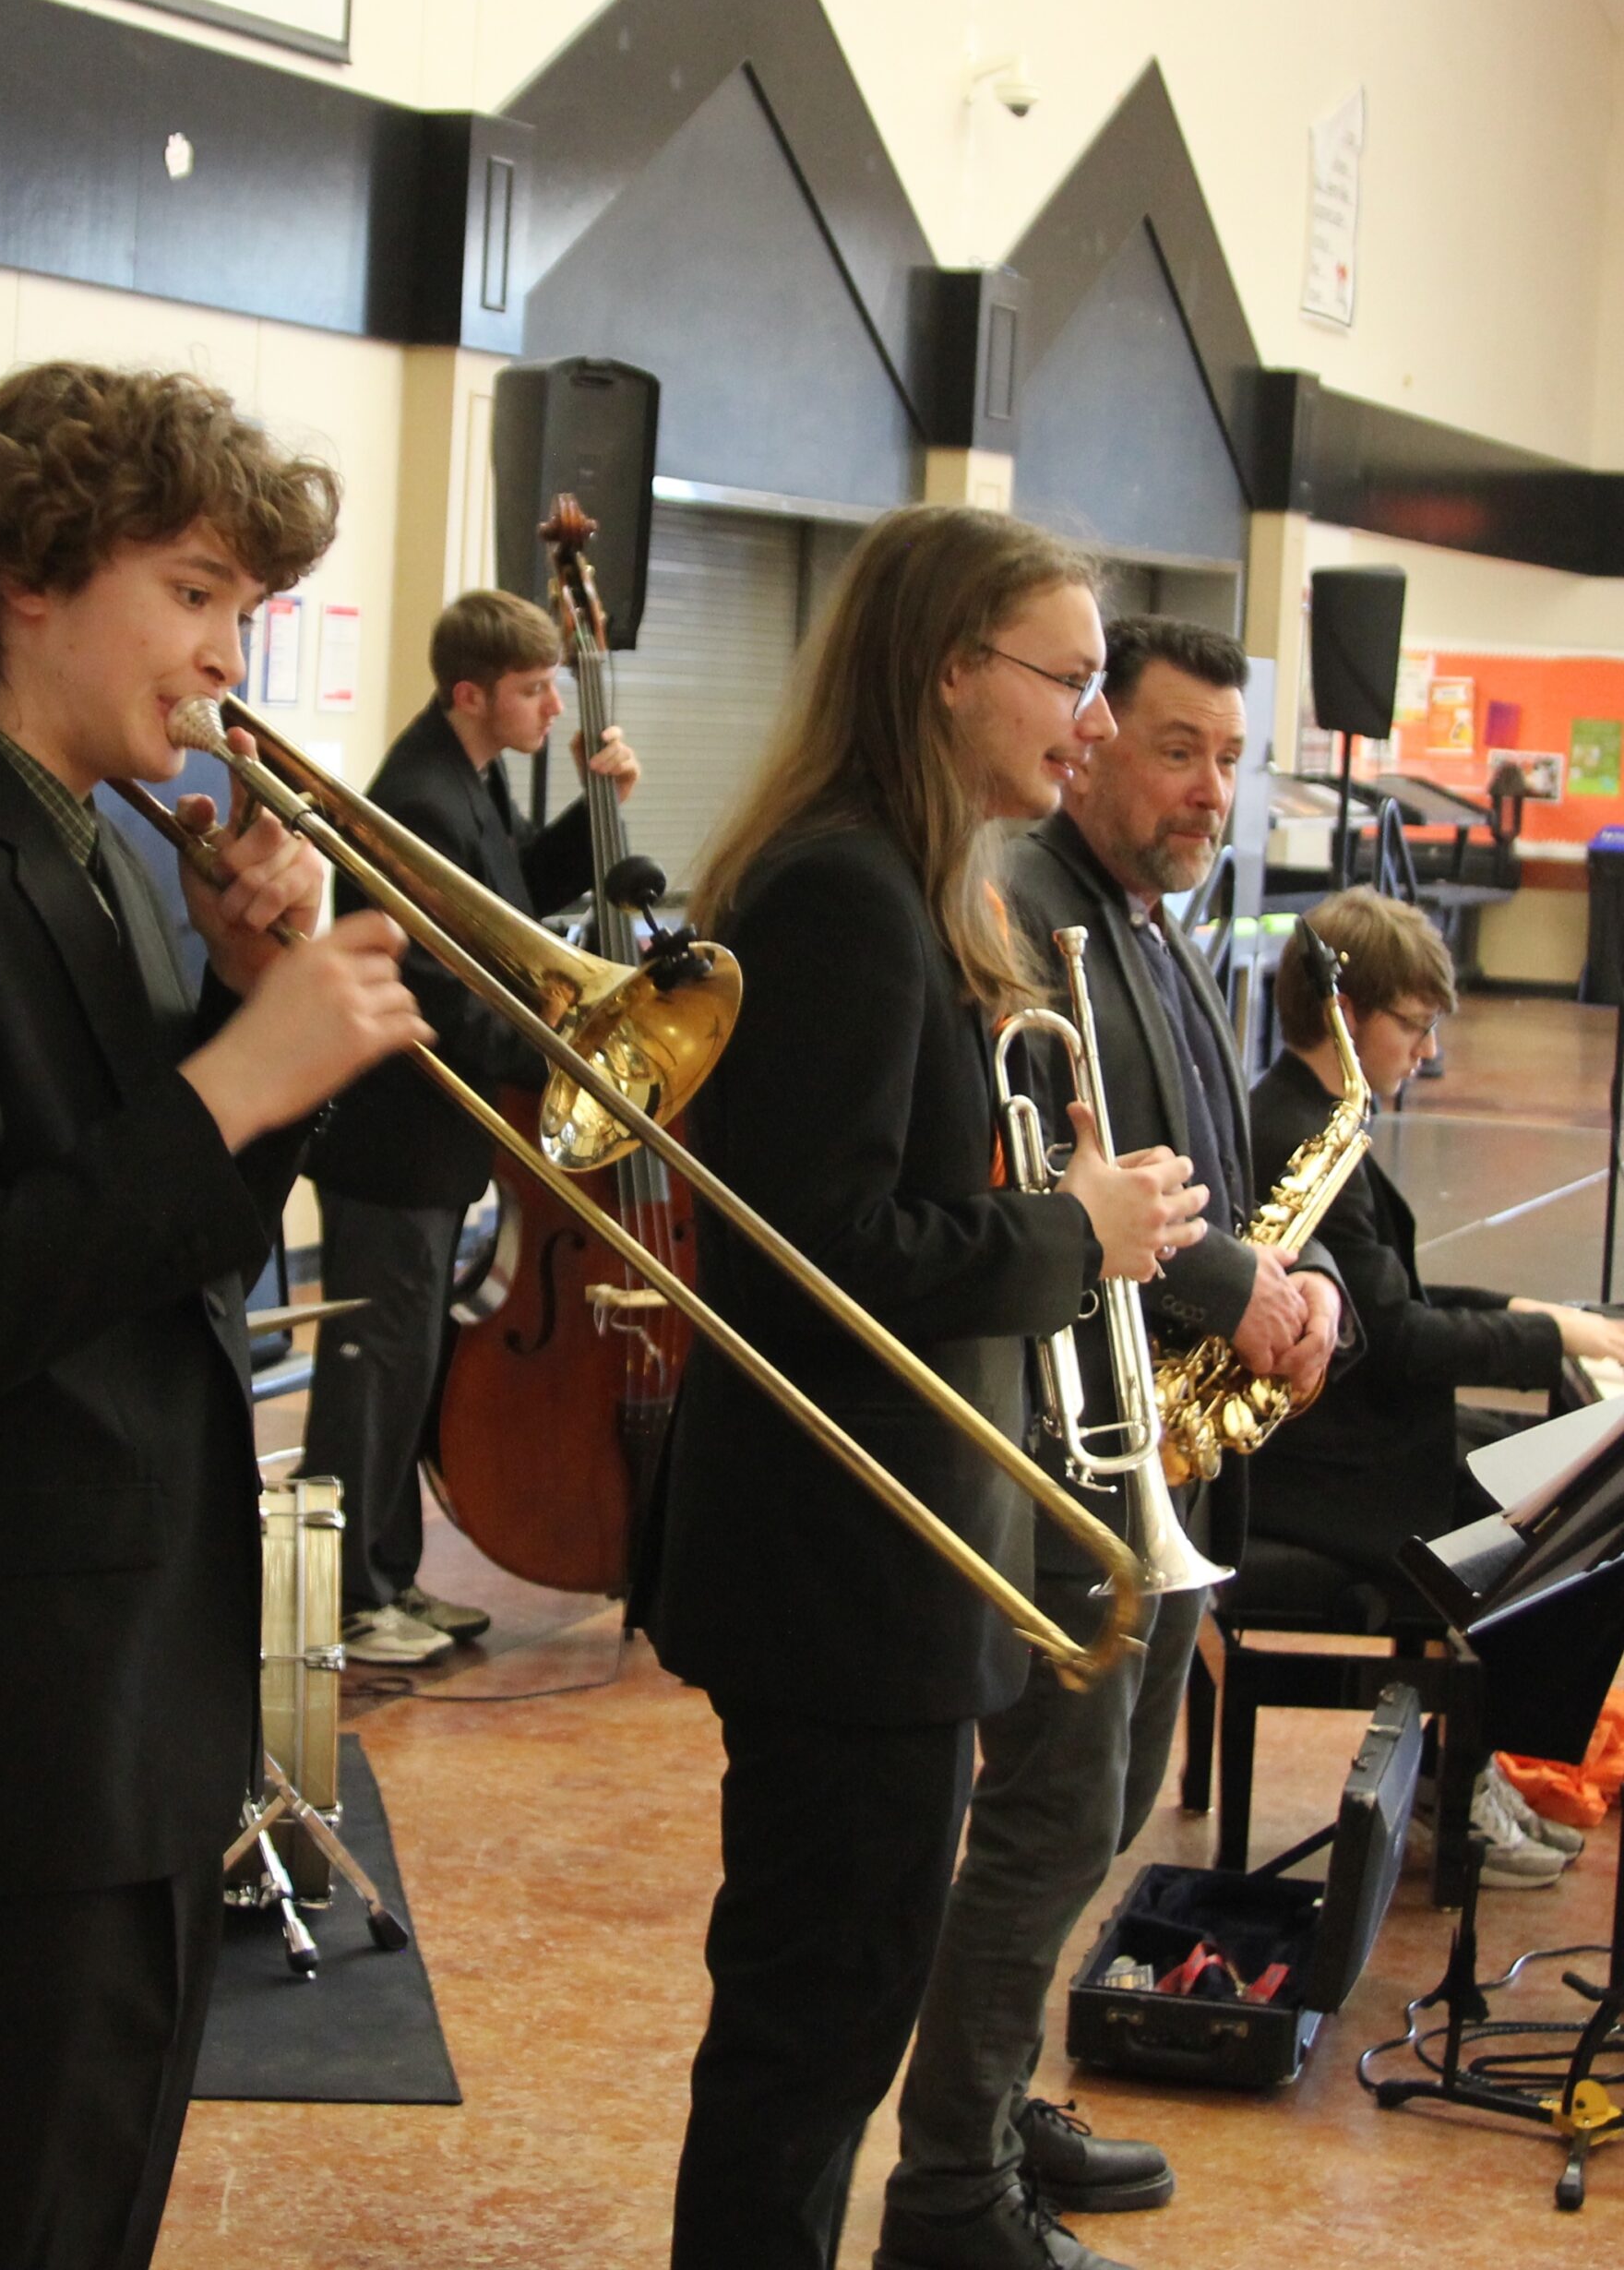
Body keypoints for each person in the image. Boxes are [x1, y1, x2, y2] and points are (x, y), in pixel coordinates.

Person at [0, 361, 427, 2270]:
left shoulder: (96, 844)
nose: (224, 655)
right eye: (193, 591)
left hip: (111, 1698)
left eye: (240, 610)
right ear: (29, 573)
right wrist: (235, 1081)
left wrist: (237, 1023)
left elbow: (139, 1238)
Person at [641, 508, 1206, 2270]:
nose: (1095, 724)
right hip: (843, 1567)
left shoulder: (894, 872)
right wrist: (1072, 1232)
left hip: (875, 1555)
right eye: (1073, 680)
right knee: (813, 2033)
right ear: (952, 669)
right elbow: (826, 1252)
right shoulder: (845, 890)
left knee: (829, 2009)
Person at [878, 615, 1345, 2270]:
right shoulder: (1022, 899)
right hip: (1073, 1454)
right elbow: (1066, 1170)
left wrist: (1306, 1285)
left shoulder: (1159, 924)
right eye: (1176, 749)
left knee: (1113, 1803)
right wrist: (1237, 1287)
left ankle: (997, 2104)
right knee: (1052, 1818)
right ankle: (950, 2190)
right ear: (1092, 741)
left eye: (1230, 757)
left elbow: (1217, 1168)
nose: (1211, 788)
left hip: (1174, 1439)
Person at [1249, 883, 1618, 1882]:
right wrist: (1550, 1338)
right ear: (1347, 1015)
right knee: (1579, 1516)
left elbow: (1389, 1293)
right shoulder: (1297, 1135)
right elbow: (1401, 1336)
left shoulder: (1309, 1112)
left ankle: (1473, 1760)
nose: (1425, 1050)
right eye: (1412, 1025)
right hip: (1329, 1476)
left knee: (1570, 1466)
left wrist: (1540, 1316)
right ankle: (1459, 1785)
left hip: (1361, 1437)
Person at [298, 587, 639, 1665]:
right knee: (373, 1369)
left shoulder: (464, 782)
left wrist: (595, 815)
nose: (553, 708)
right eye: (536, 690)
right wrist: (555, 1049)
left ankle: (388, 1576)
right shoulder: (422, 800)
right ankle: (348, 1600)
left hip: (431, 1144)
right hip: (393, 1138)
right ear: (470, 693)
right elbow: (449, 992)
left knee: (403, 1363)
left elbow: (506, 894)